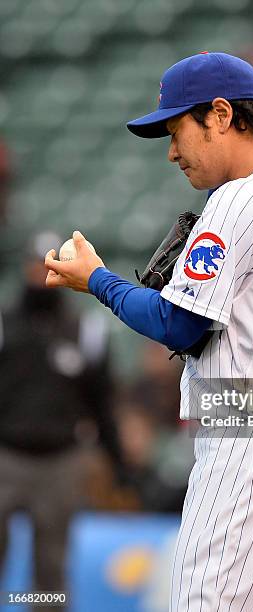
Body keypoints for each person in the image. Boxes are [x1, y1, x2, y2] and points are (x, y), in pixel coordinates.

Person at [44, 52, 253, 610]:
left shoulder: (237, 198)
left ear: (223, 114)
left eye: (178, 129)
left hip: (249, 446)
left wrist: (98, 280)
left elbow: (177, 325)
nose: (172, 151)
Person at [0, 231, 126, 611]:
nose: (41, 274)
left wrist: (118, 462)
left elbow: (102, 404)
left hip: (62, 460)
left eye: (48, 265)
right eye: (35, 264)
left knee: (51, 569)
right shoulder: (5, 325)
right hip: (5, 456)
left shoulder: (85, 331)